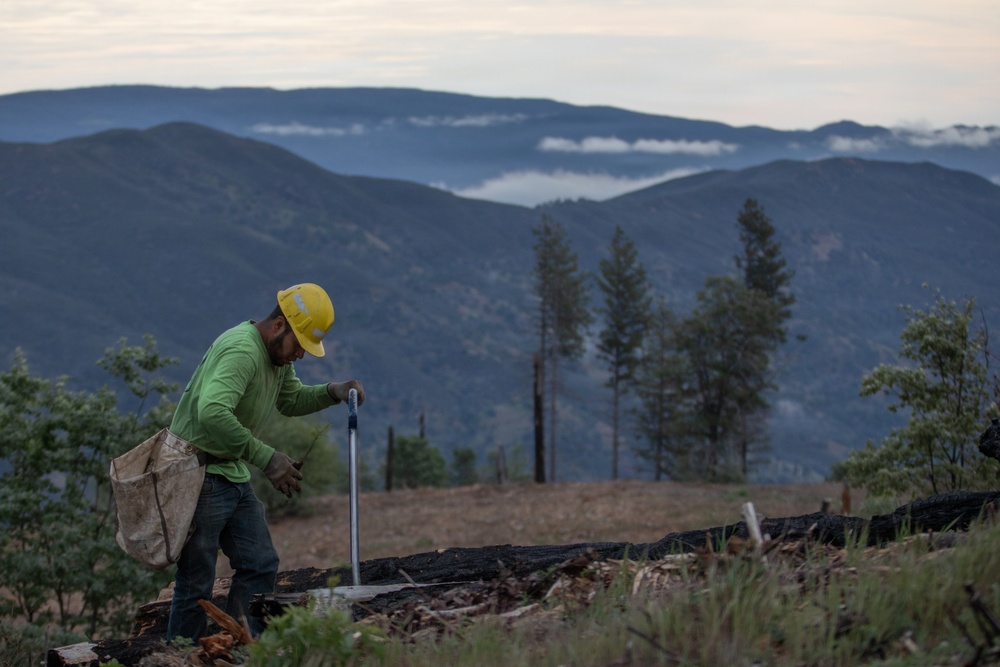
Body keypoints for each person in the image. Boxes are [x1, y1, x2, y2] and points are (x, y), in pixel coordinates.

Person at [166, 283, 364, 642]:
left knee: (259, 563)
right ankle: (180, 657)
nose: (300, 355)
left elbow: (290, 400)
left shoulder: (276, 358)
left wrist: (332, 391)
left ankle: (240, 649)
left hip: (230, 471)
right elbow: (211, 412)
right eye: (298, 345)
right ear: (279, 325)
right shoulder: (242, 350)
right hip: (200, 474)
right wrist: (267, 458)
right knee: (196, 581)